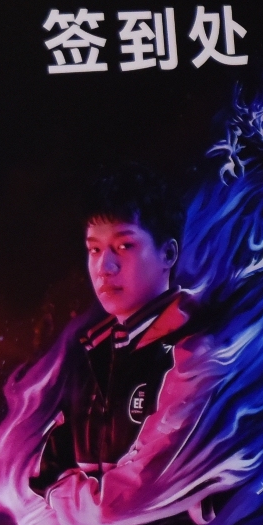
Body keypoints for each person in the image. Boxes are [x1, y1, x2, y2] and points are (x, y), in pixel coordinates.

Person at [32, 167, 191, 499]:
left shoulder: (194, 349)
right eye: (94, 250)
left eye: (124, 246)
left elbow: (143, 493)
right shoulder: (91, 355)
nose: (105, 267)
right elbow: (45, 477)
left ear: (168, 254)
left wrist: (74, 504)